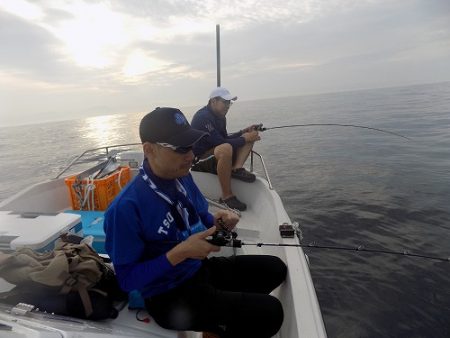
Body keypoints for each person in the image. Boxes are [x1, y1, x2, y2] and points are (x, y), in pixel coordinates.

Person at [104, 107, 287, 338]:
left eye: (190, 145)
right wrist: (179, 253)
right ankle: (218, 324)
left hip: (199, 271)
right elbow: (127, 280)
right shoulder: (125, 209)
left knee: (275, 269)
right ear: (149, 150)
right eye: (180, 148)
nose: (190, 155)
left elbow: (204, 218)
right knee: (270, 313)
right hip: (168, 298)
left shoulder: (183, 176)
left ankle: (216, 326)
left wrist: (219, 223)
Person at [191, 87, 261, 211]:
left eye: (229, 103)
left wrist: (244, 132)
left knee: (249, 137)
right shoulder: (203, 117)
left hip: (215, 154)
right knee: (228, 147)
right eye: (225, 102)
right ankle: (227, 197)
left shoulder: (221, 117)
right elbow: (221, 143)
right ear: (213, 101)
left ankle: (237, 168)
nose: (228, 106)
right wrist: (245, 138)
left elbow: (223, 138)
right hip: (199, 161)